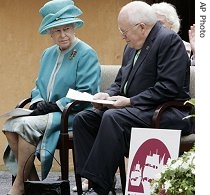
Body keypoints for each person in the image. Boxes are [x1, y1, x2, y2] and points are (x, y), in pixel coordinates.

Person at [72, 1, 193, 195]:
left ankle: (99, 187)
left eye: (124, 32)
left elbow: (168, 87)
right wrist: (108, 95)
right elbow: (120, 82)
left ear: (142, 27)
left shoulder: (168, 41)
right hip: (137, 110)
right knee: (84, 119)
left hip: (167, 111)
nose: (123, 37)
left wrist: (129, 101)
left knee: (112, 118)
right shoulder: (132, 46)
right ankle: (93, 183)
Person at [2, 0, 101, 195]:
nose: (63, 35)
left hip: (73, 114)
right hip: (49, 113)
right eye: (56, 30)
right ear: (49, 33)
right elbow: (38, 85)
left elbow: (86, 93)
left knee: (25, 126)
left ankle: (19, 185)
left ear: (74, 27)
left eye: (66, 28)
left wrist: (55, 105)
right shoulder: (47, 54)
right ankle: (33, 182)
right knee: (10, 126)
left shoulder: (86, 53)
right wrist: (38, 102)